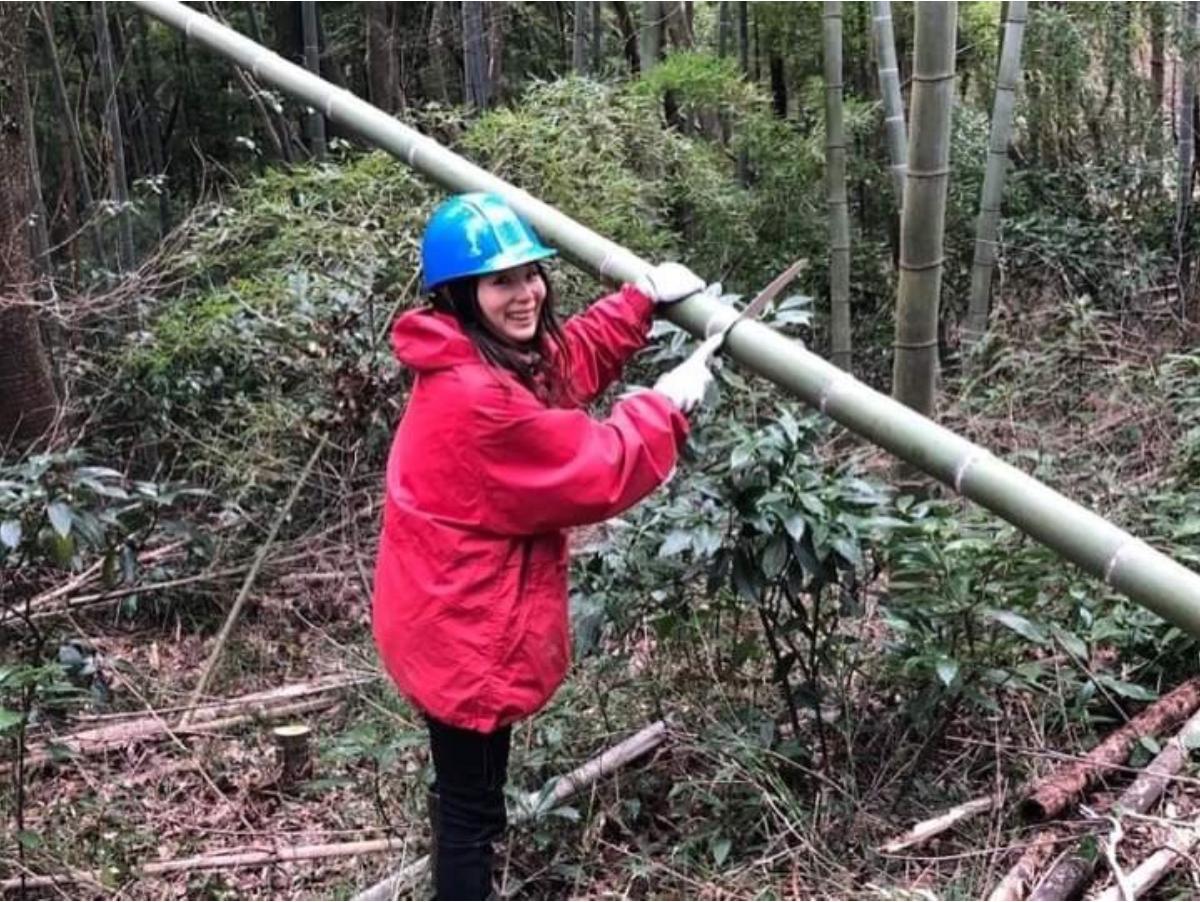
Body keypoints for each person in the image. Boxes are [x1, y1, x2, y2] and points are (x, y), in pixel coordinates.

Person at [372, 192, 717, 899]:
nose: (526, 292)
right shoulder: (475, 398)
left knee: (470, 790)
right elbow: (593, 467)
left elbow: (558, 369)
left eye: (531, 273)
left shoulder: (476, 357)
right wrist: (666, 406)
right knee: (472, 809)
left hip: (444, 614)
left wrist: (638, 303)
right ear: (462, 293)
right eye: (502, 281)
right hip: (460, 629)